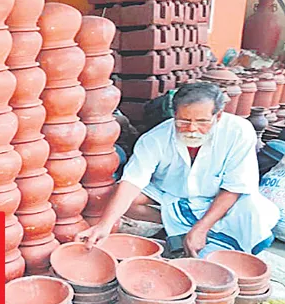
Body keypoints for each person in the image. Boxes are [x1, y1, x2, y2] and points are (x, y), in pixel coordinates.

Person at [76, 82, 279, 258]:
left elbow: (235, 187)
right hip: (173, 195)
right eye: (183, 121)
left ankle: (191, 231)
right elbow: (132, 181)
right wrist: (104, 225)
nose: (192, 129)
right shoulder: (155, 138)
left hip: (218, 197)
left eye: (201, 122)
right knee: (122, 197)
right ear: (175, 115)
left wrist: (201, 228)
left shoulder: (239, 131)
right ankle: (183, 228)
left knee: (259, 212)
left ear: (217, 116)